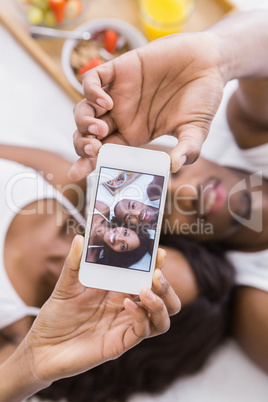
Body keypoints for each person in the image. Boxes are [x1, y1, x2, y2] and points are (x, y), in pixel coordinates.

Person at [70, 11, 268, 372]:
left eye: (168, 172)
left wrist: (216, 54)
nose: (188, 192)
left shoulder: (253, 129)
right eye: (158, 209)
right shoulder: (257, 303)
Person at [0, 235, 181, 402]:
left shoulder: (19, 344)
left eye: (137, 297)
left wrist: (31, 367)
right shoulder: (86, 220)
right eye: (147, 269)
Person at [86, 200, 151, 266]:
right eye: (125, 233)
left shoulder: (89, 258)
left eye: (123, 246)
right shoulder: (102, 209)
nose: (118, 238)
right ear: (125, 226)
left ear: (119, 253)